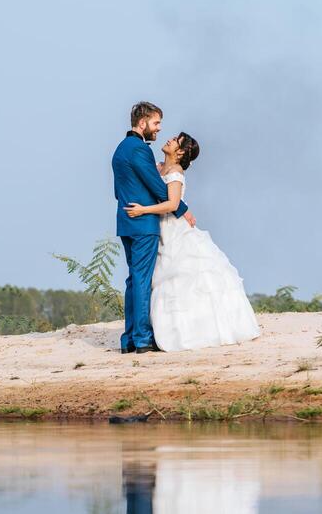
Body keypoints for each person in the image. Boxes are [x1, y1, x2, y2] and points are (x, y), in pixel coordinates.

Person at [125, 132, 262, 352]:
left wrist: (143, 210)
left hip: (173, 229)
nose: (168, 140)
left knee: (185, 277)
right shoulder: (157, 166)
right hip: (159, 230)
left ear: (179, 152)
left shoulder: (176, 173)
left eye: (175, 141)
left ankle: (190, 331)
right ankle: (164, 332)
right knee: (160, 279)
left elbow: (172, 204)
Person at [112, 102, 196, 354]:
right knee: (142, 280)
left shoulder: (120, 149)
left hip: (126, 220)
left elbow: (118, 191)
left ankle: (128, 339)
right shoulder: (139, 150)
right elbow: (158, 188)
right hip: (144, 224)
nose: (159, 129)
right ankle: (142, 339)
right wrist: (183, 208)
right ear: (142, 123)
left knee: (132, 280)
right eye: (156, 123)